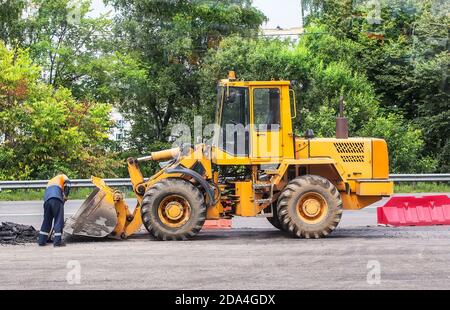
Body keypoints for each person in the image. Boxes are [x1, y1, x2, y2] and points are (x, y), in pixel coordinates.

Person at [38, 174, 71, 247]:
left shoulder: (51, 181)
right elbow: (68, 184)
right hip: (56, 199)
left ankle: (42, 241)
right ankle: (57, 242)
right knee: (58, 220)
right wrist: (65, 196)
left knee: (46, 220)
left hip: (47, 201)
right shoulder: (63, 176)